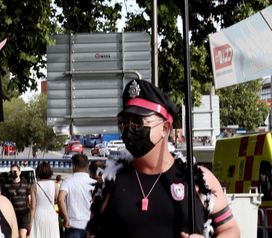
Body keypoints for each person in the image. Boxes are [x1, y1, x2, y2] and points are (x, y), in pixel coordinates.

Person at [87, 79, 240, 237]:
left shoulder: (198, 179)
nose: (129, 129)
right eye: (125, 122)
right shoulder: (110, 182)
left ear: (165, 128)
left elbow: (231, 230)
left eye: (137, 122)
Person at [58, 154, 96, 238]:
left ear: (74, 166)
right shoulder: (94, 183)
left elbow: (60, 199)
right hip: (90, 226)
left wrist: (66, 218)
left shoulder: (67, 182)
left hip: (73, 224)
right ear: (87, 166)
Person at [29, 162, 60, 238]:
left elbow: (33, 206)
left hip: (39, 214)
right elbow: (58, 202)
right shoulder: (55, 185)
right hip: (52, 215)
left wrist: (30, 222)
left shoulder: (34, 186)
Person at [2, 163, 32, 238]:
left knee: (22, 235)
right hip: (13, 214)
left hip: (24, 213)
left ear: (19, 172)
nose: (13, 173)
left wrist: (31, 212)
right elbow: (4, 200)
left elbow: (29, 198)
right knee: (14, 236)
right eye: (12, 171)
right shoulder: (6, 185)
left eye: (15, 171)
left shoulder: (25, 184)